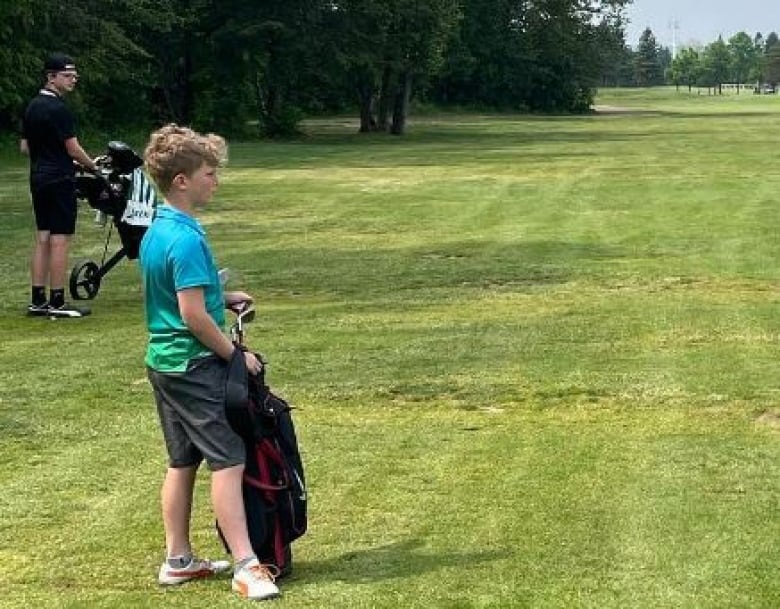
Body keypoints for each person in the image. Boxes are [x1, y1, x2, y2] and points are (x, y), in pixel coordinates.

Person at [139, 123, 280, 601]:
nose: (214, 181)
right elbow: (193, 316)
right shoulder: (188, 239)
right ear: (182, 180)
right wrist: (238, 355)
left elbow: (184, 295)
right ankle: (246, 564)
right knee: (228, 458)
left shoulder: (158, 229)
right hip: (194, 365)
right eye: (209, 173)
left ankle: (178, 560)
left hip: (163, 363)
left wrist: (224, 294)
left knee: (183, 460)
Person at [21, 53, 97, 318]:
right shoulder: (59, 109)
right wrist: (93, 167)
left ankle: (37, 299)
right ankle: (57, 301)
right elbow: (73, 149)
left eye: (74, 75)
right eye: (67, 75)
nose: (73, 80)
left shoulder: (32, 106)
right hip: (59, 179)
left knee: (43, 237)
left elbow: (25, 147)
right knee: (60, 240)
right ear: (51, 77)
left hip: (38, 177)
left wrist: (52, 158)